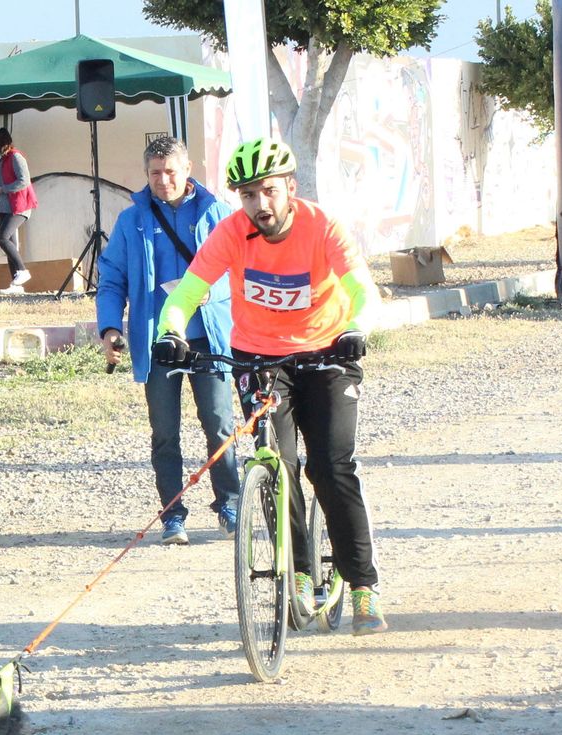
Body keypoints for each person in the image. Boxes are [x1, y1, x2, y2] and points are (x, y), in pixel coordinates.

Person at [154, 137, 388, 635]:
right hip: (260, 359)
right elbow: (188, 292)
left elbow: (361, 288)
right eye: (248, 195)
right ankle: (300, 573)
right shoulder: (233, 232)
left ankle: (364, 585)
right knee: (276, 465)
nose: (260, 205)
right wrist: (169, 331)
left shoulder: (322, 227)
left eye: (269, 192)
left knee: (329, 464)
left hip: (328, 354)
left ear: (290, 187)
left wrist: (357, 329)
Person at [96, 136, 239, 544]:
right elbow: (111, 279)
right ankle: (172, 514)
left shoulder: (219, 213)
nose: (163, 180)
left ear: (188, 169)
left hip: (208, 339)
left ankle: (230, 504)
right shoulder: (131, 220)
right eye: (155, 173)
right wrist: (110, 327)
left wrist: (217, 292)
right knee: (165, 433)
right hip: (159, 344)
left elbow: (241, 271)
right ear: (146, 175)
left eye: (171, 171)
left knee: (219, 424)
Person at [0, 128, 37, 294]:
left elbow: (24, 181)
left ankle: (22, 271)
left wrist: (2, 189)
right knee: (11, 245)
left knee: (2, 238)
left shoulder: (15, 156)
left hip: (18, 206)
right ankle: (16, 284)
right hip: (5, 208)